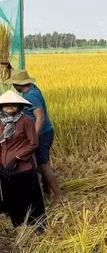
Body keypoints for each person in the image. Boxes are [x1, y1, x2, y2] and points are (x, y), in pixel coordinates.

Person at [6, 70, 63, 202]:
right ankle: (47, 193)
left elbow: (40, 117)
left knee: (42, 165)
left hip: (41, 134)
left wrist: (33, 137)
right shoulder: (33, 89)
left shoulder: (31, 96)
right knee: (42, 163)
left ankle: (59, 196)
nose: (14, 86)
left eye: (15, 83)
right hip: (46, 132)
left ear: (20, 84)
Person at [0, 90, 45, 230]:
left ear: (19, 107)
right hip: (4, 166)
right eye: (6, 106)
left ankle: (38, 225)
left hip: (23, 166)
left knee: (30, 196)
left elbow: (33, 143)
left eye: (13, 105)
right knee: (12, 196)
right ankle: (18, 225)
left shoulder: (26, 121)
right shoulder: (0, 123)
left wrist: (16, 159)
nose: (9, 108)